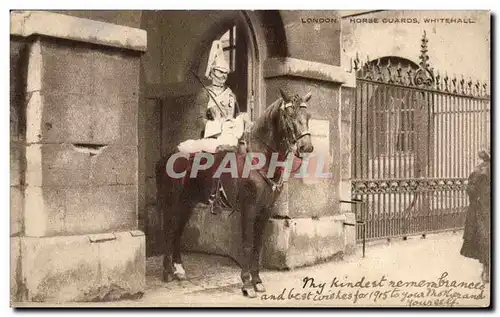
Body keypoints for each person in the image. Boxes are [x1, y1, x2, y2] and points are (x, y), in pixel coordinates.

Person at [177, 40, 250, 214]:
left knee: (245, 154)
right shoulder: (205, 93)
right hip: (213, 135)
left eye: (225, 73)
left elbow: (237, 115)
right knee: (219, 154)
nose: (223, 76)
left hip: (231, 134)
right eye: (219, 72)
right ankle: (214, 195)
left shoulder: (230, 94)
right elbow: (200, 120)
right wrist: (216, 124)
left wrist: (242, 120)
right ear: (212, 72)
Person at [460, 147, 491, 283]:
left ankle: (487, 271)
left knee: (485, 238)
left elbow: (471, 190)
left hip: (483, 210)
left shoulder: (480, 169)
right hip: (485, 209)